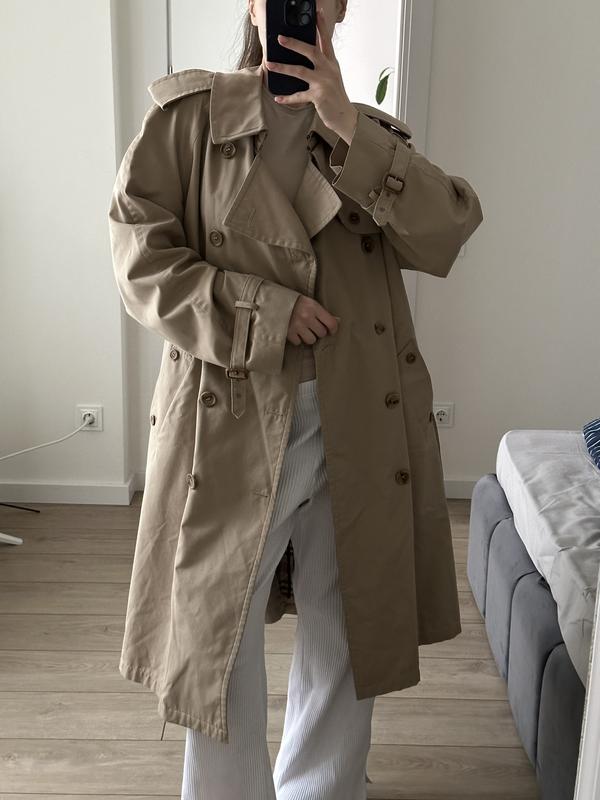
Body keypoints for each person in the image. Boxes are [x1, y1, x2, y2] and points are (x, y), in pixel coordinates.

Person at [182, 5, 377, 798]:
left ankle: (324, 787)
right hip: (239, 410)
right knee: (221, 625)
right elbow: (138, 252)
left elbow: (447, 228)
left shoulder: (368, 133)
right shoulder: (191, 121)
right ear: (252, 4)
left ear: (340, 8)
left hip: (357, 414)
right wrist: (263, 311)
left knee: (345, 620)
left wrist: (347, 121)